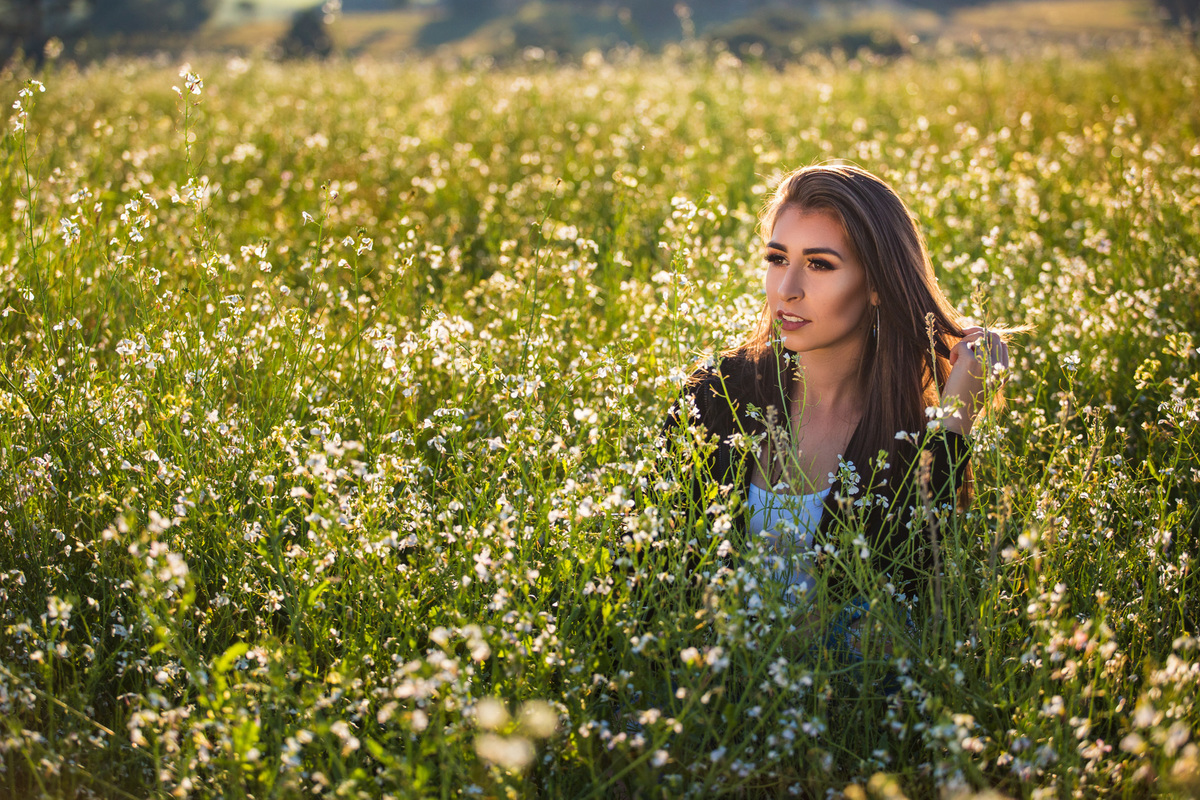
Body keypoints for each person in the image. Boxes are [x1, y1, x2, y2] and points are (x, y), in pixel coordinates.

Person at [664, 163, 1010, 657]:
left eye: (820, 264)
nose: (787, 289)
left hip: (850, 717)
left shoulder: (910, 434)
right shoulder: (715, 396)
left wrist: (955, 419)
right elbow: (652, 571)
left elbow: (916, 592)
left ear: (877, 284)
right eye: (777, 258)